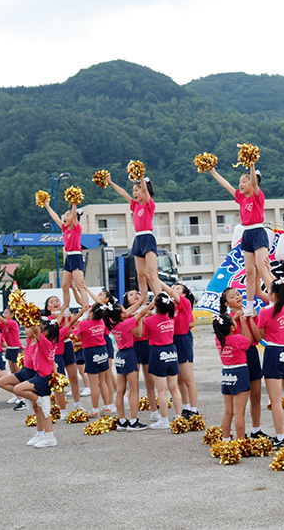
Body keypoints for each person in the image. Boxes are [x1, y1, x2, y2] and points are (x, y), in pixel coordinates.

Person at [208, 164, 273, 316]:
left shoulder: (258, 195)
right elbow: (226, 185)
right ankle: (249, 306)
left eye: (244, 181)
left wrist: (251, 164)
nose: (240, 185)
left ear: (252, 183)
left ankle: (274, 299)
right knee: (250, 272)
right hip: (247, 234)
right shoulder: (241, 198)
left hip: (258, 231)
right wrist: (213, 171)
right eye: (240, 182)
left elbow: (255, 183)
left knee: (263, 269)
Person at [251, 277, 284, 447]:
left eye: (269, 292)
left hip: (274, 352)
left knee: (276, 400)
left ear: (274, 295)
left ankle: (280, 438)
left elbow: (260, 336)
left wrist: (252, 319)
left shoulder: (266, 312)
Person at [220, 287, 270, 439]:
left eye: (237, 294)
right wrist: (237, 321)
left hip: (252, 353)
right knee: (238, 402)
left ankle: (256, 429)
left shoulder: (249, 311)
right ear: (227, 303)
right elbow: (240, 341)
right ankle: (237, 434)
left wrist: (252, 319)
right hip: (237, 358)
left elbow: (258, 338)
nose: (237, 297)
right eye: (232, 296)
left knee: (256, 395)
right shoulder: (226, 320)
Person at [106, 172, 162, 301]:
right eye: (133, 191)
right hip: (138, 239)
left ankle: (159, 300)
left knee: (152, 274)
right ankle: (142, 302)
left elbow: (146, 192)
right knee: (141, 275)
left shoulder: (149, 204)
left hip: (147, 237)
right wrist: (110, 182)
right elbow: (123, 193)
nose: (134, 193)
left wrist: (141, 176)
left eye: (137, 190)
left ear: (144, 190)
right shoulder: (135, 205)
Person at [106, 298, 154, 431]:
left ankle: (122, 420)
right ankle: (133, 421)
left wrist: (139, 303)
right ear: (121, 315)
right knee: (134, 389)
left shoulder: (114, 324)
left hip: (120, 355)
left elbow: (128, 312)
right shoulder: (125, 324)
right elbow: (140, 314)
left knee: (120, 390)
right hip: (129, 354)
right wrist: (150, 304)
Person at [15, 318, 60, 448]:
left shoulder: (44, 342)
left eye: (39, 328)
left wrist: (29, 315)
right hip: (41, 376)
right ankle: (48, 437)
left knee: (19, 389)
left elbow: (34, 329)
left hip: (43, 378)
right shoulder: (47, 343)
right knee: (42, 410)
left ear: (44, 333)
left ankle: (50, 437)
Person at [144, 291, 184, 429]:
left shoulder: (148, 320)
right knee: (174, 387)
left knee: (162, 390)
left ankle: (164, 419)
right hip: (172, 351)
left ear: (155, 305)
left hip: (158, 352)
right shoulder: (171, 318)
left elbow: (145, 335)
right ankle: (179, 417)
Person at [213, 313, 252, 441]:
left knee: (228, 411)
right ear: (232, 328)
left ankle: (225, 439)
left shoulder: (219, 339)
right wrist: (244, 323)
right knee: (239, 412)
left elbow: (224, 328)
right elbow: (249, 341)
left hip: (226, 374)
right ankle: (240, 441)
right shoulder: (237, 339)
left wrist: (231, 322)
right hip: (239, 373)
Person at [43, 200, 87, 309]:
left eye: (67, 215)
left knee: (79, 285)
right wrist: (47, 205)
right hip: (69, 257)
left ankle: (86, 306)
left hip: (76, 256)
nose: (65, 217)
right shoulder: (65, 229)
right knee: (65, 285)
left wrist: (74, 203)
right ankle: (66, 305)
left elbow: (74, 216)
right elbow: (55, 217)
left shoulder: (76, 228)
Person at [123, 290, 159, 421]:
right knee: (134, 385)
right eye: (131, 295)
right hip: (134, 348)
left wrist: (147, 317)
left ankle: (154, 411)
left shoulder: (148, 311)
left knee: (150, 382)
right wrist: (141, 318)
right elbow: (137, 333)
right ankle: (133, 416)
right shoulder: (126, 313)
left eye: (137, 293)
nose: (135, 295)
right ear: (127, 300)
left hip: (147, 346)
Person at [73, 303, 113, 416]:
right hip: (103, 350)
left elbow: (78, 336)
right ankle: (107, 406)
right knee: (102, 380)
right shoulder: (101, 322)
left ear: (91, 313)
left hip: (91, 352)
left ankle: (95, 409)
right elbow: (105, 333)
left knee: (94, 383)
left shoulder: (84, 324)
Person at [172, 283, 198, 418]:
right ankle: (186, 407)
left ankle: (194, 409)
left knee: (188, 378)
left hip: (182, 340)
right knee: (179, 379)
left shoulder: (185, 303)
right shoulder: (171, 308)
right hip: (171, 342)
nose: (172, 290)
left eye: (176, 288)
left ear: (183, 294)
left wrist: (155, 278)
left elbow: (191, 323)